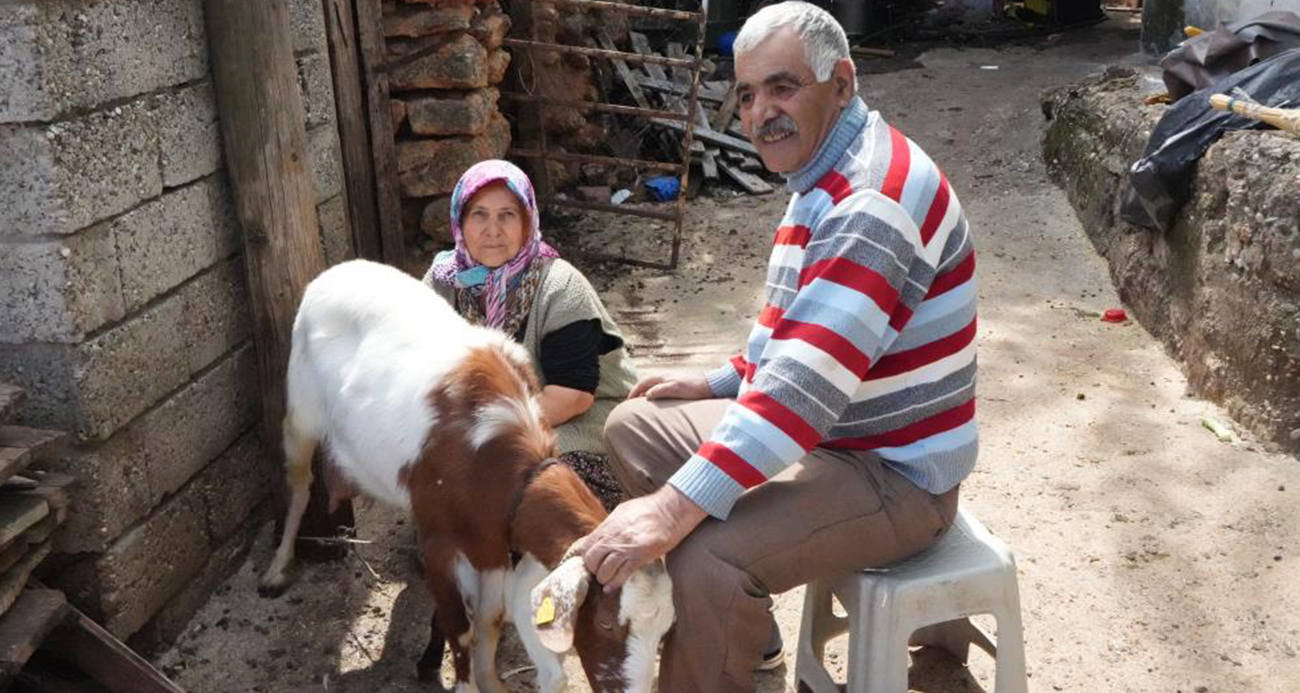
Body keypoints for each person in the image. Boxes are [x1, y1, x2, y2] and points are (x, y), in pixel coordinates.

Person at [576, 3, 980, 691]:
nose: (761, 111)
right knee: (637, 427)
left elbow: (799, 394)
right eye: (747, 94)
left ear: (842, 84)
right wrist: (718, 381)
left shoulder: (868, 203)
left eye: (782, 86)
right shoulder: (822, 172)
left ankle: (714, 657)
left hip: (894, 472)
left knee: (701, 550)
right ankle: (752, 646)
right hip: (837, 433)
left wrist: (671, 509)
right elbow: (801, 336)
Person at [422, 159, 637, 509]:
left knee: (541, 484)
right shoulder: (444, 282)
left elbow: (573, 397)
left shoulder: (559, 286)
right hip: (482, 425)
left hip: (580, 422)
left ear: (528, 222)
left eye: (507, 214)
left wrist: (486, 436)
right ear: (459, 222)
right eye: (479, 214)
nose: (493, 230)